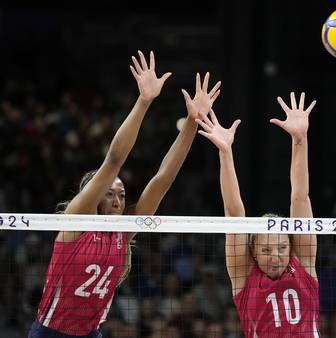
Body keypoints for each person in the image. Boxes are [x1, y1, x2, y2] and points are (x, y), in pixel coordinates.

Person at [29, 51, 221, 337]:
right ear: (91, 196)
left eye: (121, 193)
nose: (117, 199)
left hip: (92, 333)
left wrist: (193, 122)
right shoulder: (76, 221)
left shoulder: (124, 230)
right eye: (108, 193)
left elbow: (163, 179)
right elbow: (114, 161)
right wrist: (144, 102)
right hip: (51, 332)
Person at [196, 92, 319, 337]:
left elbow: (300, 197)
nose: (275, 257)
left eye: (282, 248)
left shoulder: (303, 262)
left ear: (291, 246)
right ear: (252, 250)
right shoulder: (243, 276)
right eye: (265, 250)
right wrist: (225, 153)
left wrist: (300, 139)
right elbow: (234, 213)